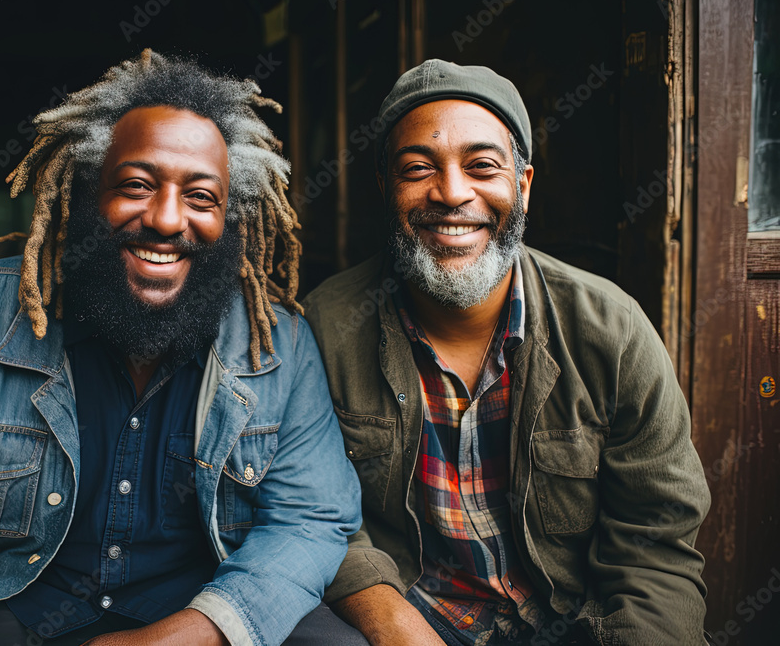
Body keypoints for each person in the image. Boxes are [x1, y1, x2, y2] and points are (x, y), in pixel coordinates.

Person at [0, 50, 364, 646]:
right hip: (19, 606)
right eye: (137, 186)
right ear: (87, 192)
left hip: (205, 609)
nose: (168, 220)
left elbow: (310, 518)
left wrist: (194, 632)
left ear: (232, 218)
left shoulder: (277, 343)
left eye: (201, 198)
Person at [303, 59, 712, 646]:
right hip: (414, 616)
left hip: (574, 625)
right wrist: (392, 622)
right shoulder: (325, 327)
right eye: (418, 169)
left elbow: (655, 547)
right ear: (386, 189)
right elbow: (312, 517)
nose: (450, 193)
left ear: (521, 185)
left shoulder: (611, 330)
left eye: (482, 167)